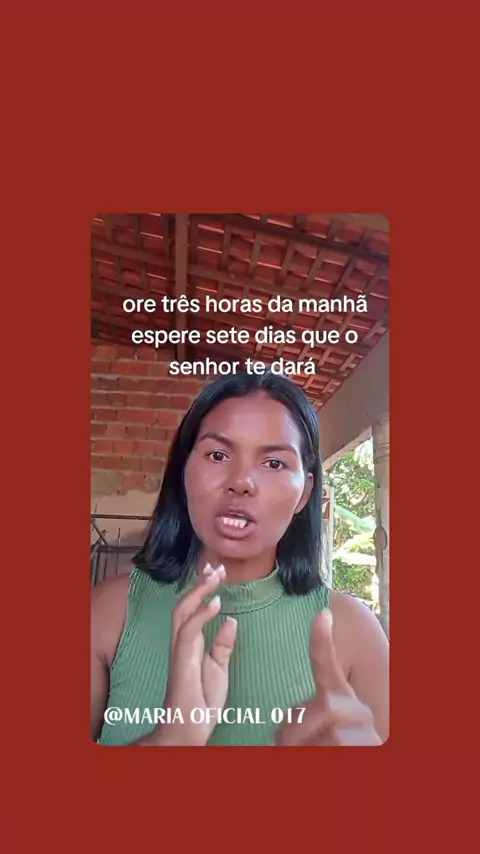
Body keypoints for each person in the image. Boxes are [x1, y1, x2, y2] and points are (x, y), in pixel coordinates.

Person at [91, 369, 389, 746]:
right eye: (217, 455)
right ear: (183, 472)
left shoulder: (354, 630)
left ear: (304, 493)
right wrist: (169, 741)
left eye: (274, 463)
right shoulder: (108, 612)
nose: (241, 481)